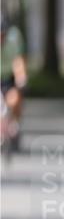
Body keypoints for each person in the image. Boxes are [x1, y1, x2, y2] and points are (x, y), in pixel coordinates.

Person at [1, 13, 29, 158]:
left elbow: (19, 62)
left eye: (2, 35)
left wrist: (22, 78)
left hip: (8, 77)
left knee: (15, 99)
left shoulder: (13, 40)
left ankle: (15, 126)